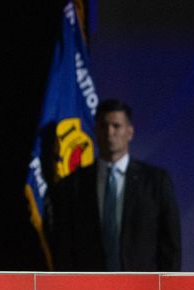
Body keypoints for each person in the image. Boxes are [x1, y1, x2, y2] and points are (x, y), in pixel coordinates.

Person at [47, 98, 181, 271]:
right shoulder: (73, 186)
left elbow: (170, 245)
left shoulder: (156, 182)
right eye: (104, 126)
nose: (110, 132)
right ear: (95, 131)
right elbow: (64, 247)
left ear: (130, 132)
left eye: (116, 126)